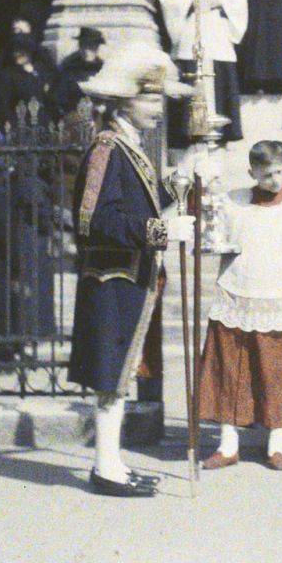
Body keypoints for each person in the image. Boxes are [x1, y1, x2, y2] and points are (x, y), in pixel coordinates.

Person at [67, 49, 186, 497]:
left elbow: (145, 202)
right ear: (123, 103)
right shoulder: (106, 148)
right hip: (111, 278)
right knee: (111, 377)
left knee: (119, 377)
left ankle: (111, 463)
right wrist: (157, 230)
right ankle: (105, 468)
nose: (159, 110)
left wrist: (180, 189)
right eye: (150, 100)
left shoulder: (130, 148)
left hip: (129, 276)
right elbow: (92, 219)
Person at [196, 140, 282, 470]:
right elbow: (212, 230)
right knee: (231, 373)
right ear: (251, 173)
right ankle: (229, 445)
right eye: (266, 174)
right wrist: (203, 195)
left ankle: (278, 443)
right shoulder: (234, 201)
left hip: (278, 297)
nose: (274, 180)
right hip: (236, 293)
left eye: (279, 172)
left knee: (278, 375)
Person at [160, 0, 250, 146]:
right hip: (192, 28)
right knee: (192, 74)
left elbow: (239, 3)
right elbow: (169, 2)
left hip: (217, 31)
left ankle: (223, 133)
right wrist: (190, 3)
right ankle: (190, 131)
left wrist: (221, 2)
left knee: (218, 78)